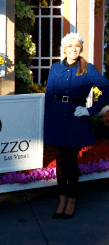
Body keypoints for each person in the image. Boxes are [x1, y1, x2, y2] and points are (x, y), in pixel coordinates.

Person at [44, 32, 109, 220]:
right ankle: (61, 199)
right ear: (64, 49)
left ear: (81, 48)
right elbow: (49, 95)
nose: (73, 49)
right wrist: (48, 120)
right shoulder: (55, 68)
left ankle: (71, 200)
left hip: (76, 119)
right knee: (60, 162)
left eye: (77, 46)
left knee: (71, 163)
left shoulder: (87, 69)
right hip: (56, 119)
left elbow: (107, 88)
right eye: (70, 46)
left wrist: (91, 110)